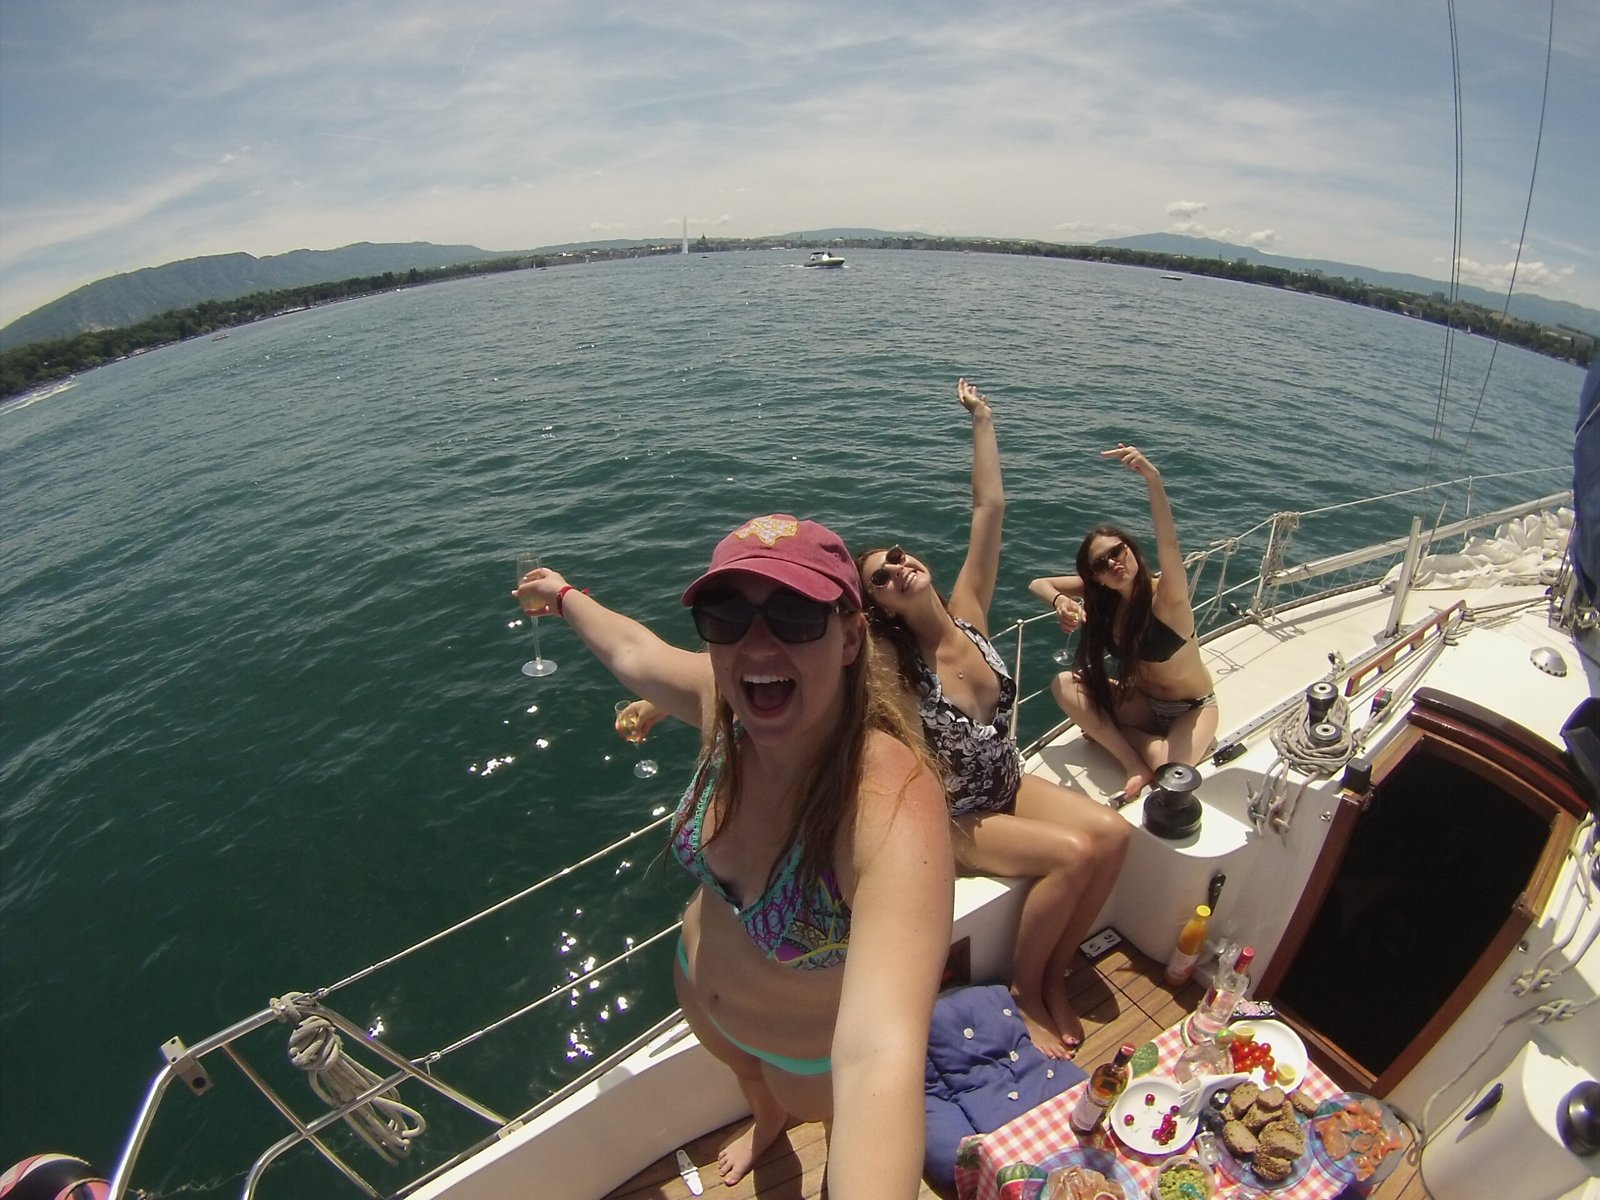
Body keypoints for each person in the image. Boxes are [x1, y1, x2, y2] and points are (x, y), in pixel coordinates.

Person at [514, 515, 953, 1199]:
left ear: (849, 637)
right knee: (751, 1084)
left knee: (839, 1144)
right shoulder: (727, 708)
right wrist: (564, 595)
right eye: (727, 617)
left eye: (794, 615)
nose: (757, 644)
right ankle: (767, 1120)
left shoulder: (887, 804)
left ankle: (791, 1124)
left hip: (810, 1061)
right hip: (705, 997)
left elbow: (877, 1059)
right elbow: (633, 651)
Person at [855, 379, 1129, 1058]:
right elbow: (815, 648)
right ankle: (1029, 990)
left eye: (897, 556)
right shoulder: (891, 666)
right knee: (1072, 856)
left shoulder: (969, 613)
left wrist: (983, 418)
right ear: (878, 607)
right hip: (960, 817)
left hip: (1008, 781)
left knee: (1114, 837)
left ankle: (1057, 967)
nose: (897, 569)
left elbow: (989, 507)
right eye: (880, 578)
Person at [1029, 443, 1219, 802]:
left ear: (1131, 549)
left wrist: (1153, 480)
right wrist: (1060, 602)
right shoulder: (1107, 598)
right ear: (1097, 577)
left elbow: (1169, 544)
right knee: (1063, 684)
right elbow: (1039, 583)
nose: (1113, 563)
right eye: (1101, 564)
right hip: (1142, 703)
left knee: (1170, 774)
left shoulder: (1169, 598)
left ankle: (1127, 740)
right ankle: (1132, 762)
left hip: (1191, 708)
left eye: (1117, 551)